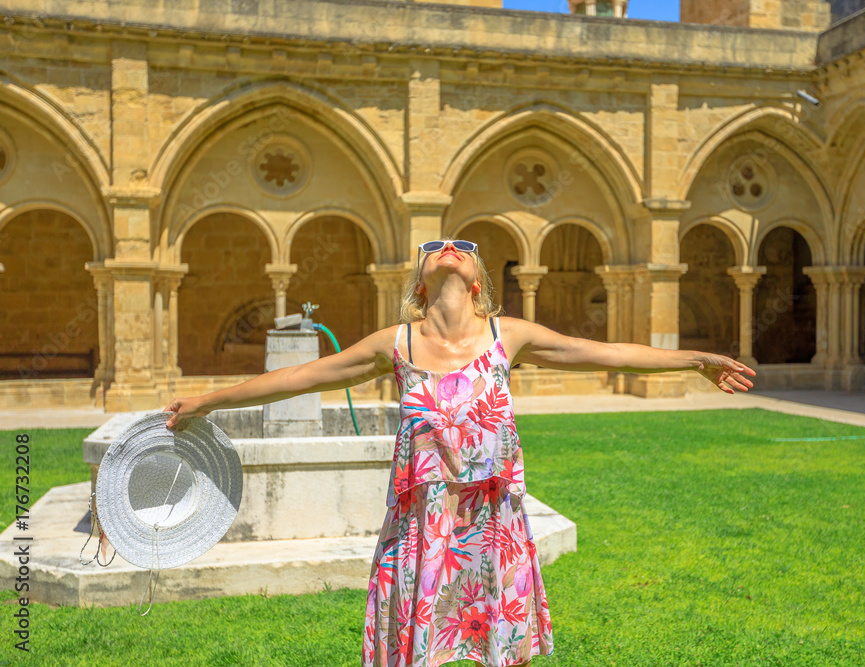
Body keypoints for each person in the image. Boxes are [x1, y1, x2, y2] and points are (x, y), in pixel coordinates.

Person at [163, 237, 756, 666]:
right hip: (423, 524)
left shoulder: (507, 335)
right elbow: (301, 377)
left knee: (494, 647)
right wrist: (209, 402)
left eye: (463, 246)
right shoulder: (395, 343)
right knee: (418, 652)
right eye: (435, 246)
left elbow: (604, 352)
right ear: (420, 282)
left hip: (493, 522)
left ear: (477, 282)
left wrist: (694, 360)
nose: (449, 247)